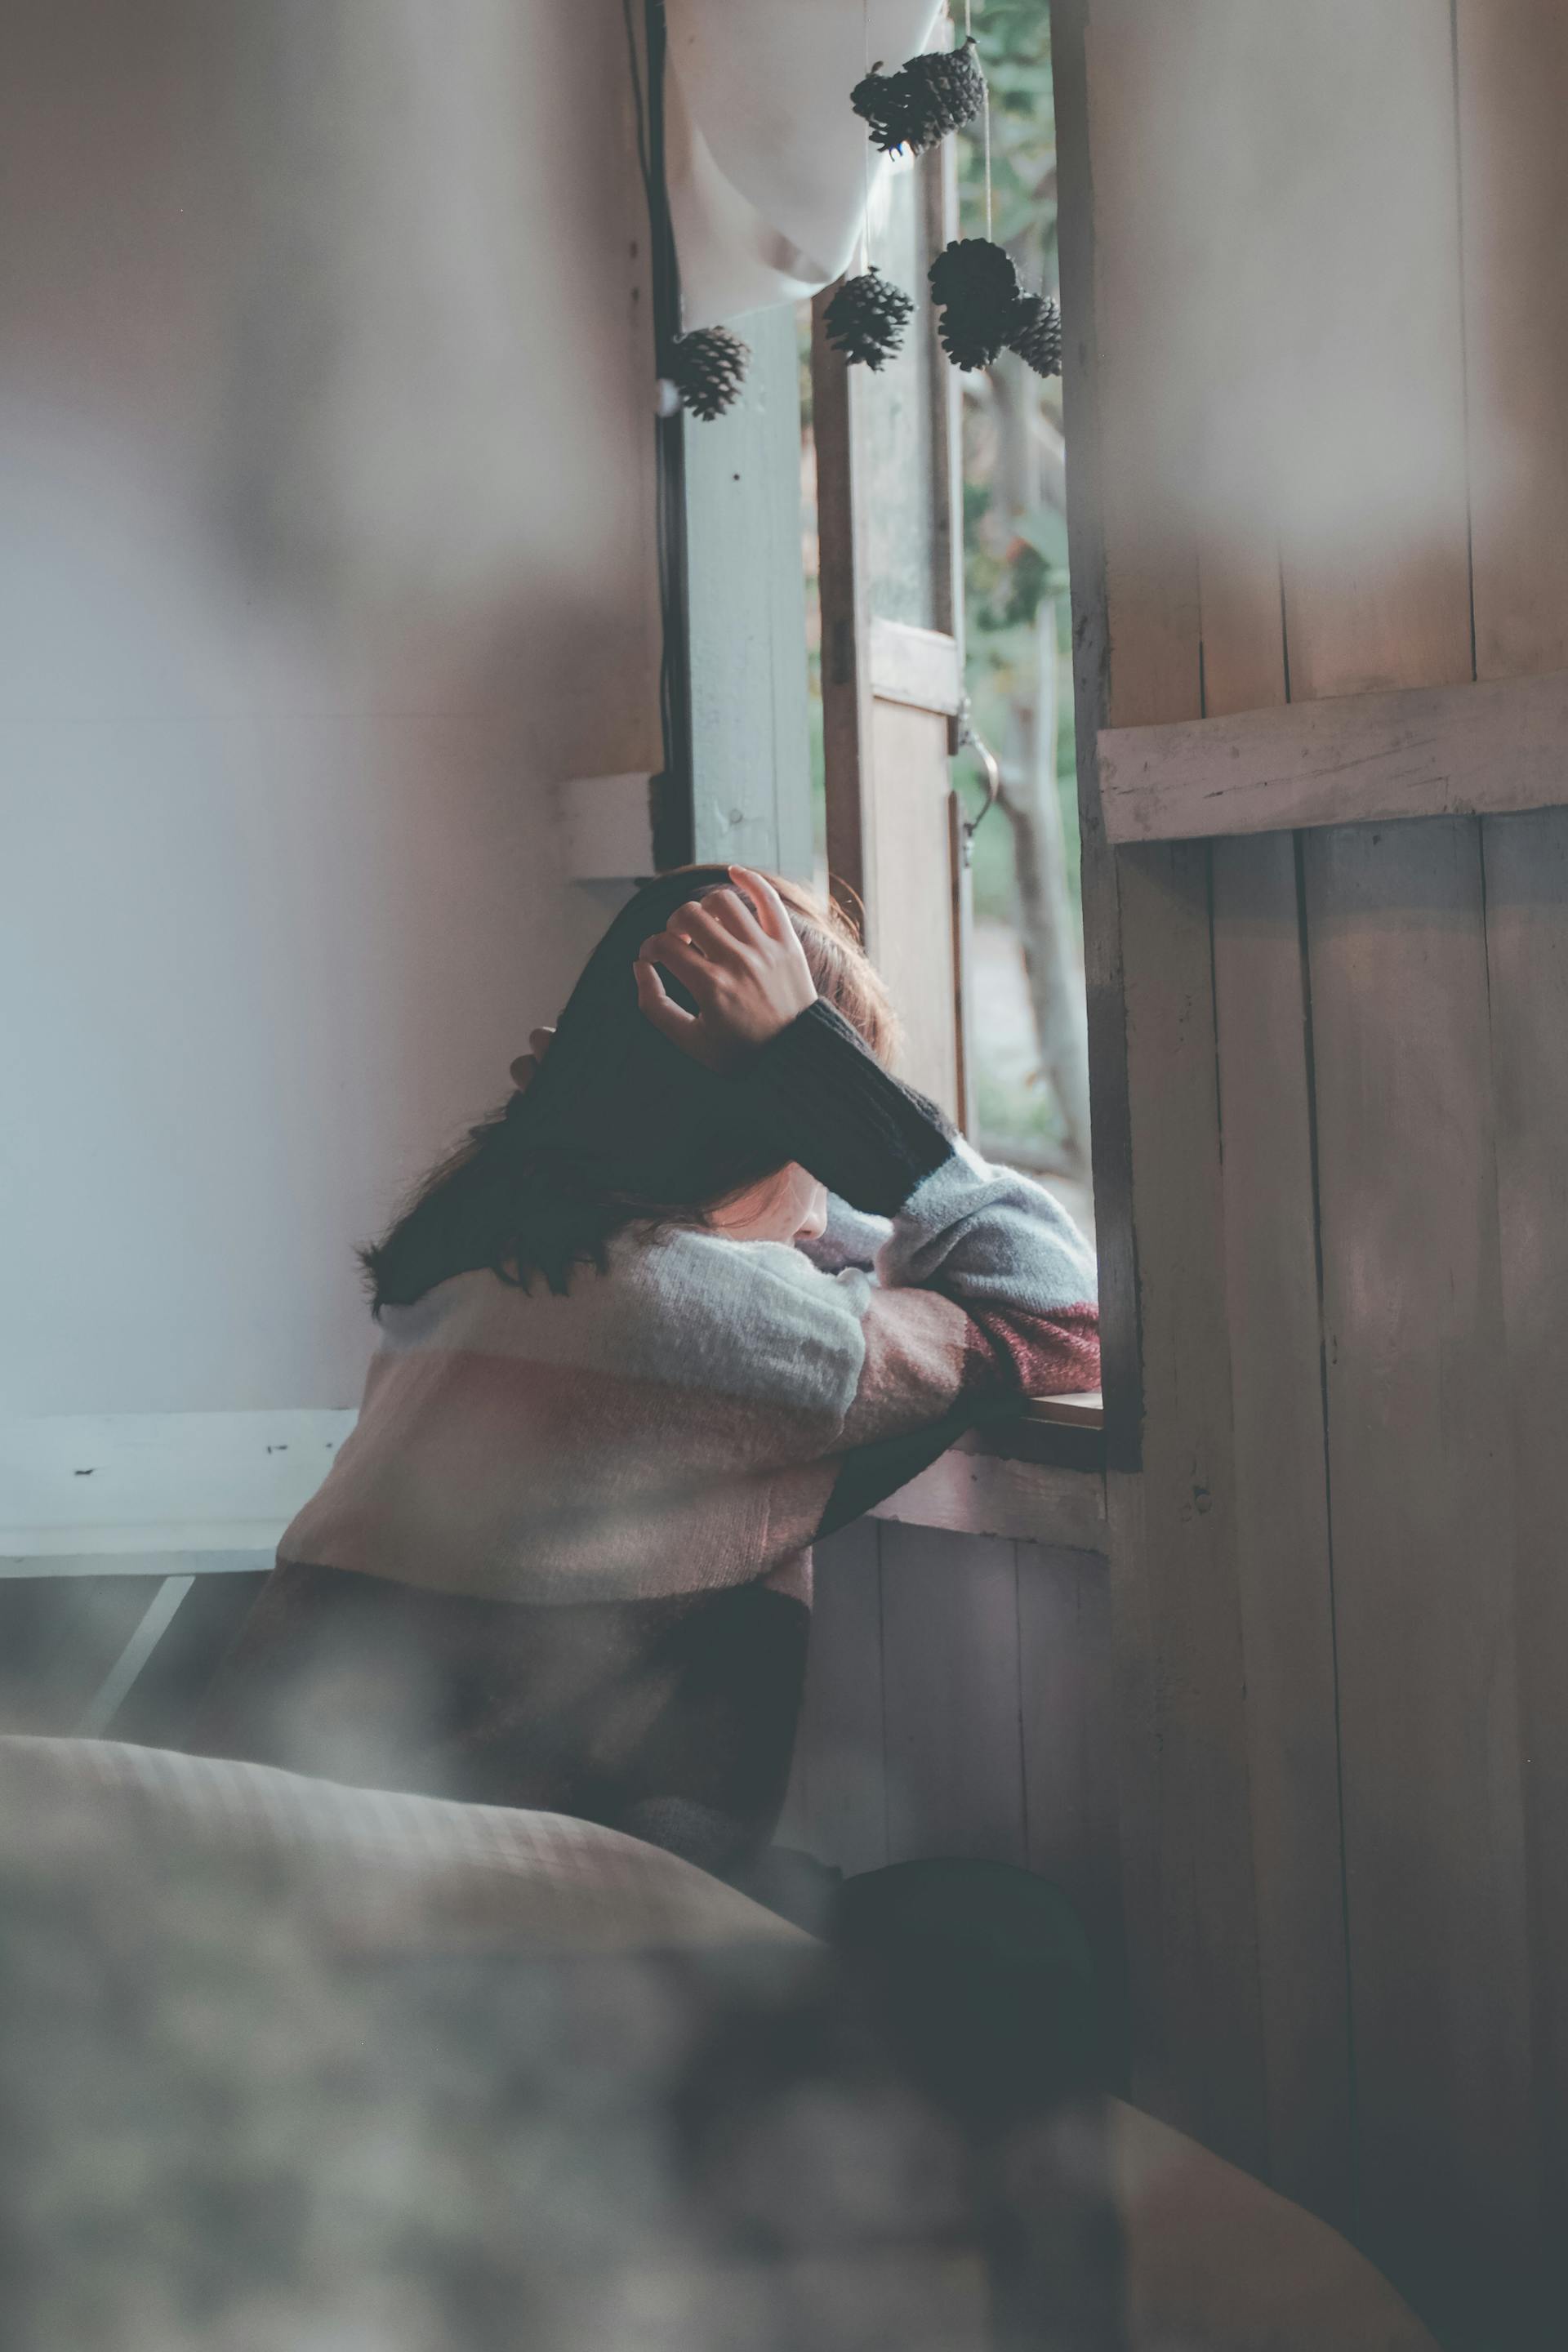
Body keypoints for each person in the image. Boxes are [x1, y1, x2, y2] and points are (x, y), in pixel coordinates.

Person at [190, 866, 1098, 1877]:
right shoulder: (707, 1322)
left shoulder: (480, 1258)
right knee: (1006, 1952)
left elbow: (769, 1241)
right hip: (472, 1899)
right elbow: (1057, 1310)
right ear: (785, 1133)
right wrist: (824, 1080)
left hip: (250, 1843)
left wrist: (642, 1110)